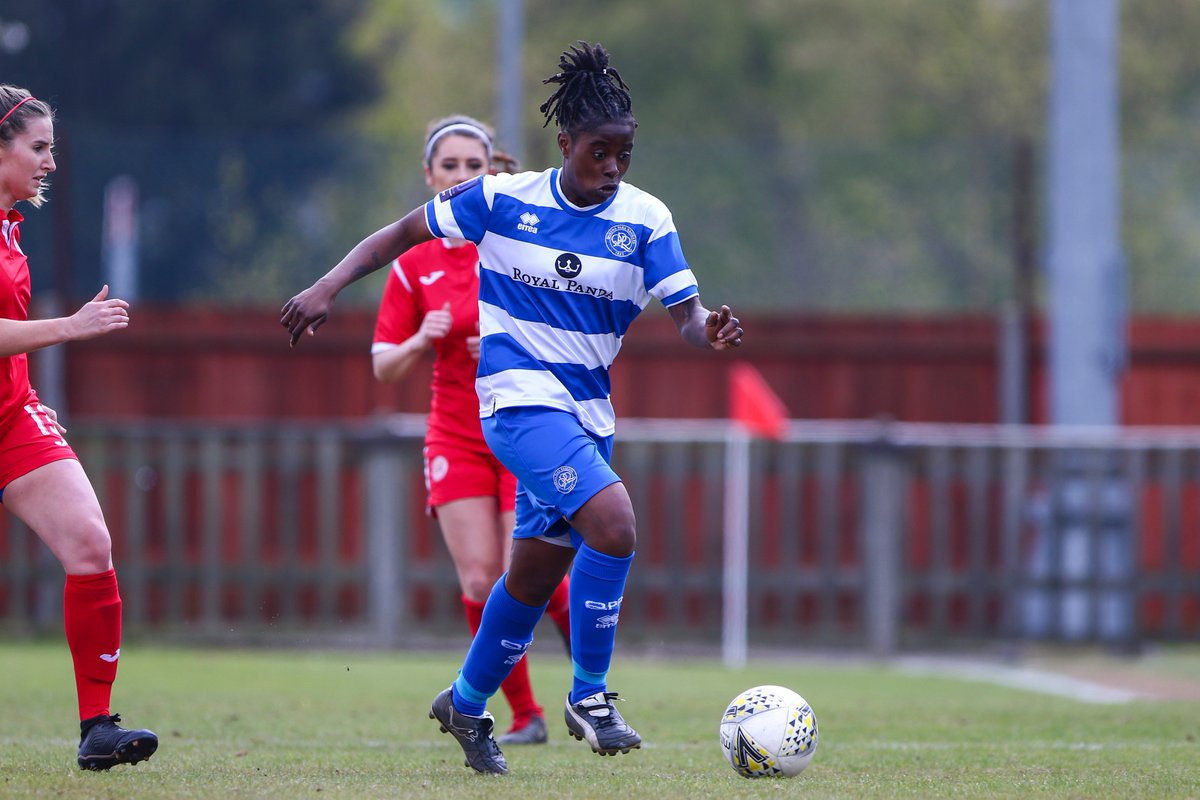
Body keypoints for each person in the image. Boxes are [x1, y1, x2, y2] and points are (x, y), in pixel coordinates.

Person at [280, 41, 744, 776]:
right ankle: (589, 695)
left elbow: (685, 313)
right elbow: (399, 235)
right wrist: (327, 286)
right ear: (566, 144)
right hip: (516, 402)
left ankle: (464, 704)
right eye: (600, 151)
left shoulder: (648, 219)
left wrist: (707, 329)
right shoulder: (503, 199)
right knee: (615, 524)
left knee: (529, 578)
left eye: (624, 152)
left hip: (587, 414)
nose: (614, 166)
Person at [370, 115, 570, 746]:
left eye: (472, 166)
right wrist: (419, 340)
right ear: (429, 177)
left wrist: (513, 347)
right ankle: (526, 716)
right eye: (448, 167)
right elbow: (382, 365)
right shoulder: (415, 261)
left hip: (522, 428)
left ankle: (592, 685)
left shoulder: (514, 245)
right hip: (455, 435)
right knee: (481, 581)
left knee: (534, 573)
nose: (460, 176)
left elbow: (566, 332)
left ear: (493, 171)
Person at [0, 85, 158, 770]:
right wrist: (69, 327)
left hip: (11, 420)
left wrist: (28, 393)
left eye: (52, 149)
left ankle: (97, 728)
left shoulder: (10, 228)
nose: (51, 164)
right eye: (39, 148)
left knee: (91, 543)